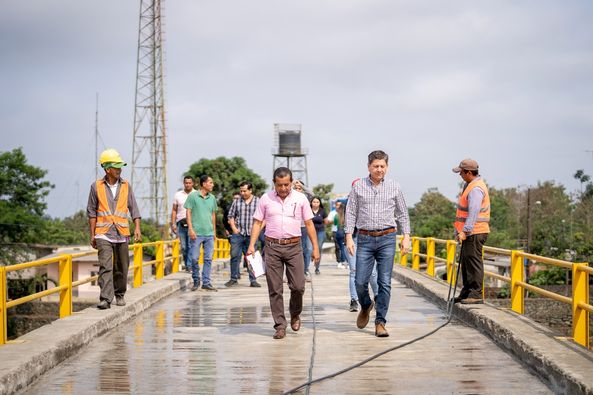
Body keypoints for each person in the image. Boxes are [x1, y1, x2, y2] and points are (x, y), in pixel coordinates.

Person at [247, 167, 320, 340]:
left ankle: (295, 313)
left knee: (298, 286)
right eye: (280, 185)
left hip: (294, 247)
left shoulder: (300, 198)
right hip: (272, 247)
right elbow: (258, 223)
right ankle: (280, 325)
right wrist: (251, 245)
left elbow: (309, 224)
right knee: (275, 288)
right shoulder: (266, 199)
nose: (284, 188)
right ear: (274, 183)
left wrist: (315, 248)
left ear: (291, 182)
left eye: (287, 184)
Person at [345, 150, 410, 337]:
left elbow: (402, 213)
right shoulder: (358, 187)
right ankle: (366, 305)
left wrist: (406, 236)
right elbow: (350, 213)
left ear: (387, 167)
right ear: (368, 167)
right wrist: (349, 236)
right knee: (359, 282)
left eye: (382, 166)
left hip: (387, 239)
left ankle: (380, 322)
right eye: (376, 166)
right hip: (364, 239)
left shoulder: (394, 187)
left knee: (384, 283)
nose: (379, 169)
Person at [87, 148, 141, 310]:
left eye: (120, 167)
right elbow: (91, 212)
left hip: (122, 233)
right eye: (116, 167)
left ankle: (120, 294)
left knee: (121, 267)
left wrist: (137, 227)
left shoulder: (126, 186)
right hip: (103, 234)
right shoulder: (96, 186)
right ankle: (105, 298)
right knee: (106, 266)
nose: (119, 170)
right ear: (107, 169)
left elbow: (134, 208)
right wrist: (92, 235)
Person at [452, 158, 490, 304]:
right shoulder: (470, 185)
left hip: (475, 231)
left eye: (461, 172)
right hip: (469, 232)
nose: (460, 175)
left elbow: (473, 212)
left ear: (468, 172)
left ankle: (476, 294)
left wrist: (465, 231)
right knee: (466, 262)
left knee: (473, 262)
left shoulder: (475, 189)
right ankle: (467, 292)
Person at [185, 175, 218, 292]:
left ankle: (206, 282)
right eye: (211, 182)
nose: (212, 185)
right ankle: (196, 281)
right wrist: (190, 229)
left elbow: (213, 215)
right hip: (196, 233)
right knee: (194, 258)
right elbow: (188, 212)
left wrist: (214, 231)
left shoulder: (212, 198)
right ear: (204, 184)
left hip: (209, 233)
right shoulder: (193, 196)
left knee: (208, 259)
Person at [226, 181, 261, 288]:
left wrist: (259, 230)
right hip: (238, 234)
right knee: (234, 256)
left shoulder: (258, 202)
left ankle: (253, 280)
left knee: (251, 257)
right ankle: (233, 278)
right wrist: (233, 228)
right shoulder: (237, 202)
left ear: (250, 190)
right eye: (241, 191)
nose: (242, 193)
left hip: (252, 235)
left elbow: (263, 217)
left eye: (245, 191)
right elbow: (230, 215)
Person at [170, 175, 195, 272]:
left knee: (190, 245)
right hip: (181, 223)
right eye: (186, 183)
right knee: (184, 247)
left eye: (189, 183)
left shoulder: (196, 194)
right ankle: (187, 263)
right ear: (184, 183)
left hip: (192, 223)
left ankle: (189, 265)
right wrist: (173, 224)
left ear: (192, 183)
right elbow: (174, 210)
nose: (188, 185)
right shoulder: (178, 195)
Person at [293, 180, 314, 279]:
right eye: (296, 188)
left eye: (299, 188)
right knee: (293, 250)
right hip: (293, 227)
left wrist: (301, 185)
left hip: (304, 227)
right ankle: (293, 272)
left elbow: (312, 194)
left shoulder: (305, 198)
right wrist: (292, 185)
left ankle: (305, 271)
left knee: (305, 250)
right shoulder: (290, 197)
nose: (298, 190)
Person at [310, 196, 328, 275]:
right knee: (309, 248)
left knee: (319, 249)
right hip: (310, 232)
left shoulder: (322, 211)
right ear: (311, 203)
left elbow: (326, 222)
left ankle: (317, 268)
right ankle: (309, 261)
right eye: (314, 202)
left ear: (319, 203)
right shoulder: (308, 210)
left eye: (317, 202)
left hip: (320, 231)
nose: (315, 203)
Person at [326, 201, 342, 265]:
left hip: (343, 231)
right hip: (335, 231)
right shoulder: (333, 213)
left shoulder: (344, 213)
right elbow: (328, 221)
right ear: (335, 206)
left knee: (344, 247)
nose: (339, 206)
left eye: (340, 205)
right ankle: (339, 261)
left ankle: (345, 260)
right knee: (337, 247)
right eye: (337, 205)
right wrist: (336, 220)